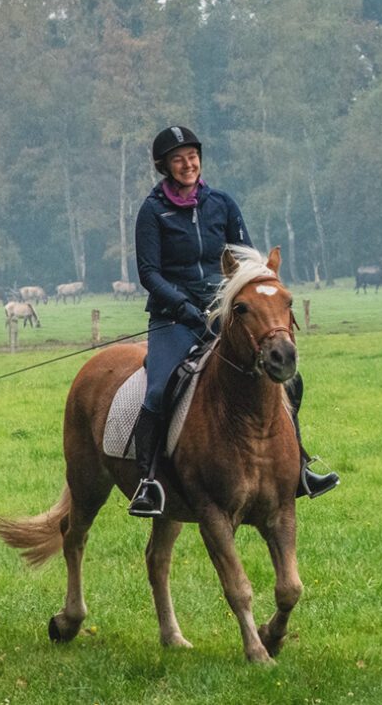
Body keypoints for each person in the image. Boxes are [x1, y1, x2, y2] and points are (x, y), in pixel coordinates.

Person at [128, 126, 339, 517]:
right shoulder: (152, 211)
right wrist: (183, 307)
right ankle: (149, 482)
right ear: (165, 166)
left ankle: (302, 467)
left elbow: (245, 259)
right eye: (178, 158)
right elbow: (149, 273)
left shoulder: (222, 204)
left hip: (226, 312)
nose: (188, 163)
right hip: (173, 317)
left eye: (192, 156)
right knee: (158, 390)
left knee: (286, 379)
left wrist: (239, 301)